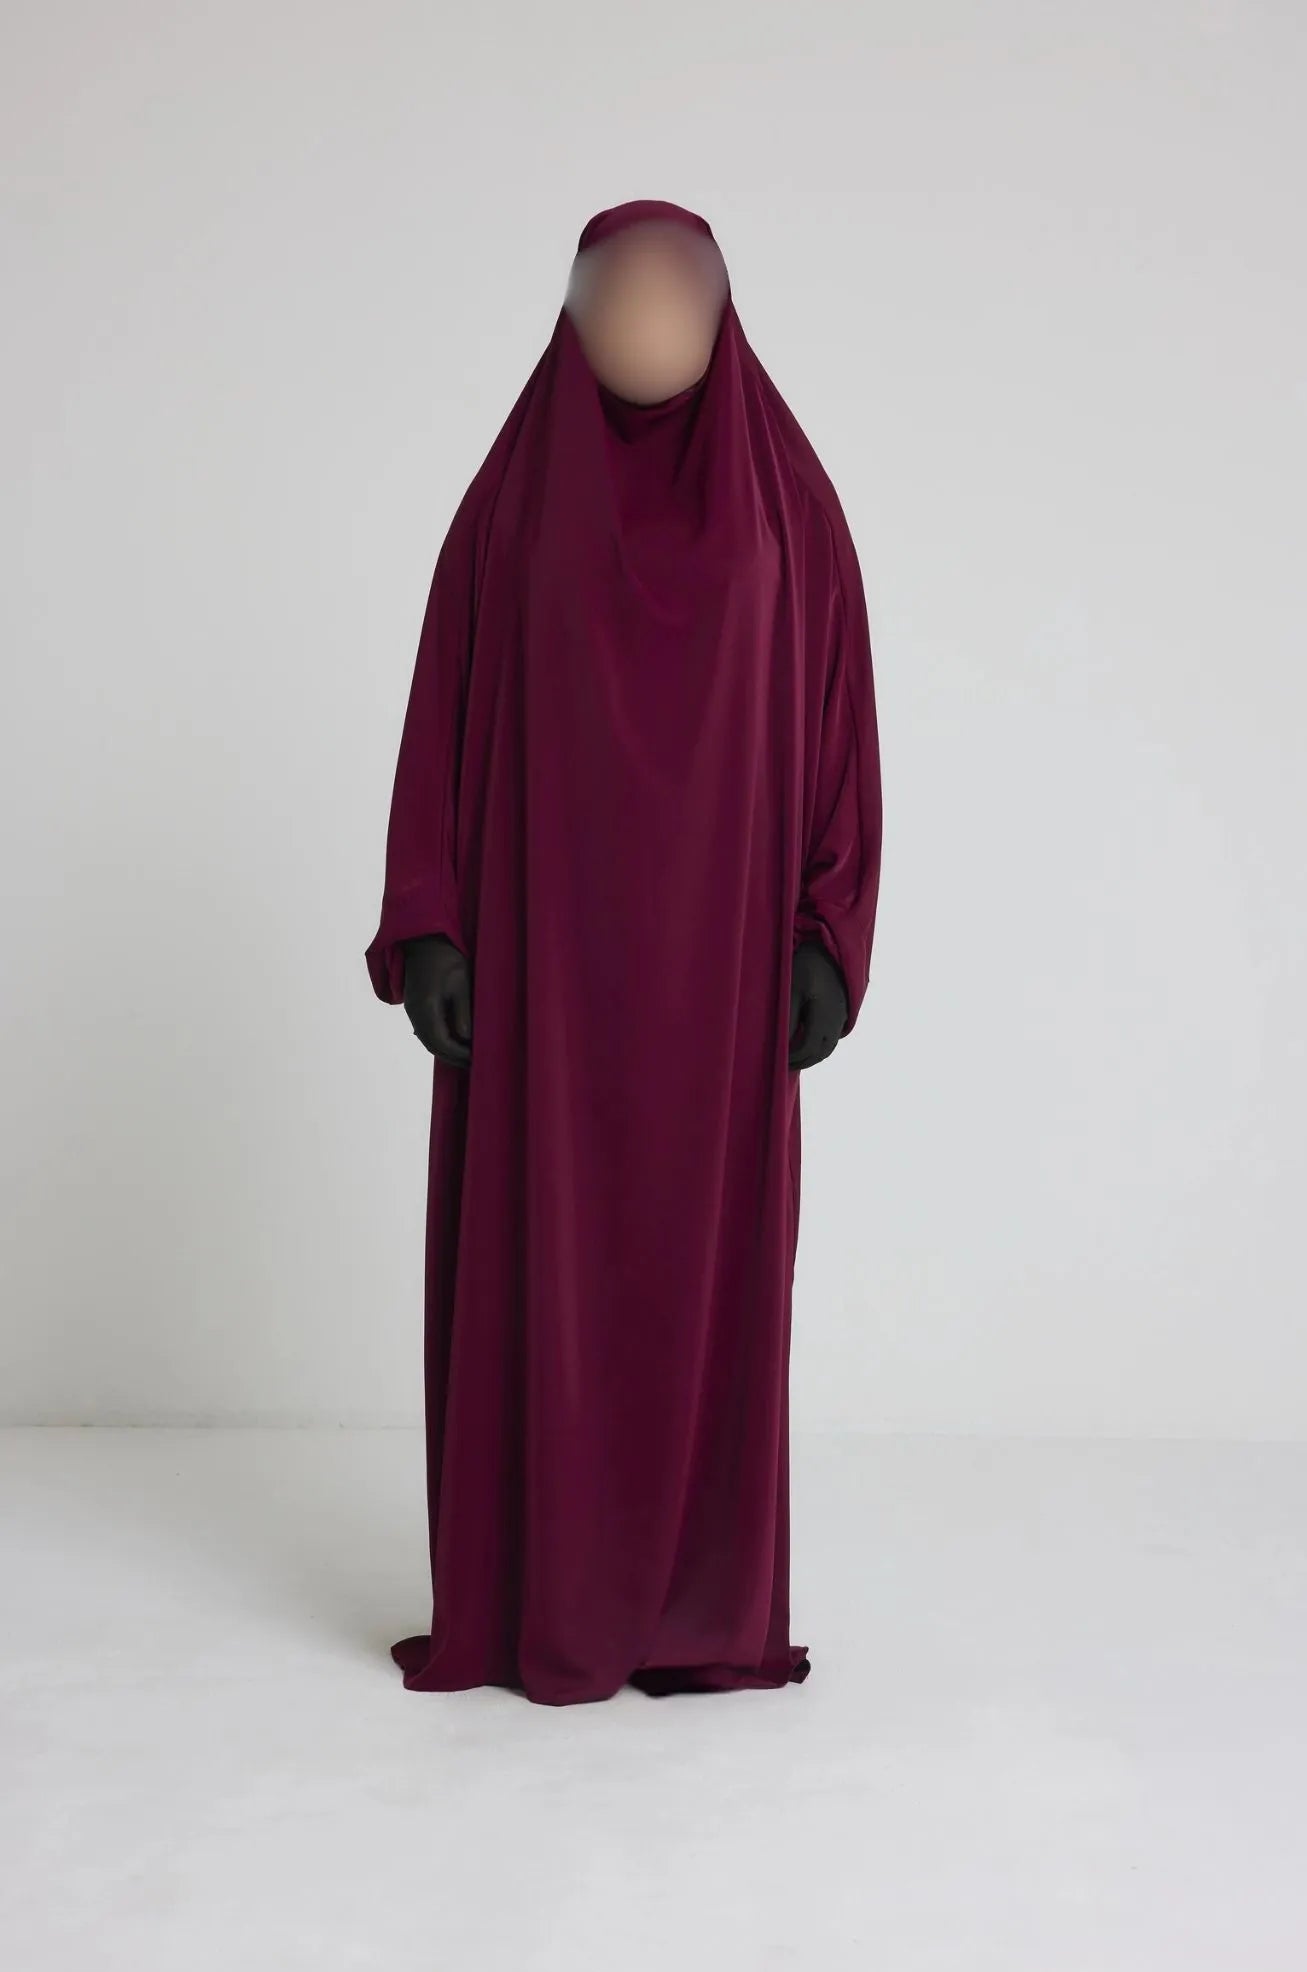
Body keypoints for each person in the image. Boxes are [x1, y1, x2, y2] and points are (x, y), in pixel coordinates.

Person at [364, 198, 882, 1706]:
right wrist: (429, 919)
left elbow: (841, 723)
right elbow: (441, 710)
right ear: (573, 311)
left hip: (722, 979)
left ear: (722, 314)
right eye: (618, 293)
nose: (646, 321)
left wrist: (829, 931)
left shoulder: (790, 509)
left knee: (707, 1275)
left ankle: (695, 1611)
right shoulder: (513, 507)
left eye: (675, 295)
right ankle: (548, 1598)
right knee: (542, 1269)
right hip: (540, 978)